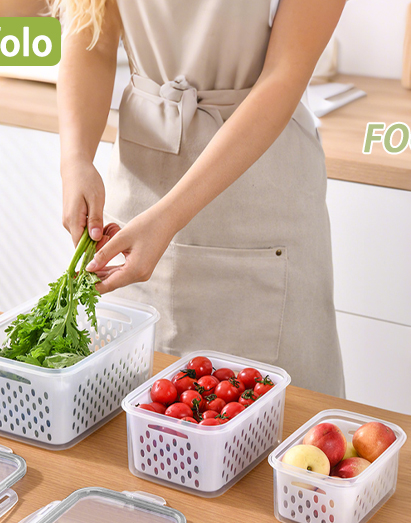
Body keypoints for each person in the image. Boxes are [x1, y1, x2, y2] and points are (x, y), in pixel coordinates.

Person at [55, 0, 346, 396]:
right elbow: (93, 36)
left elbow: (285, 72)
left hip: (256, 193)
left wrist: (169, 216)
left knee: (273, 422)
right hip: (139, 183)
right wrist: (75, 159)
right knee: (125, 412)